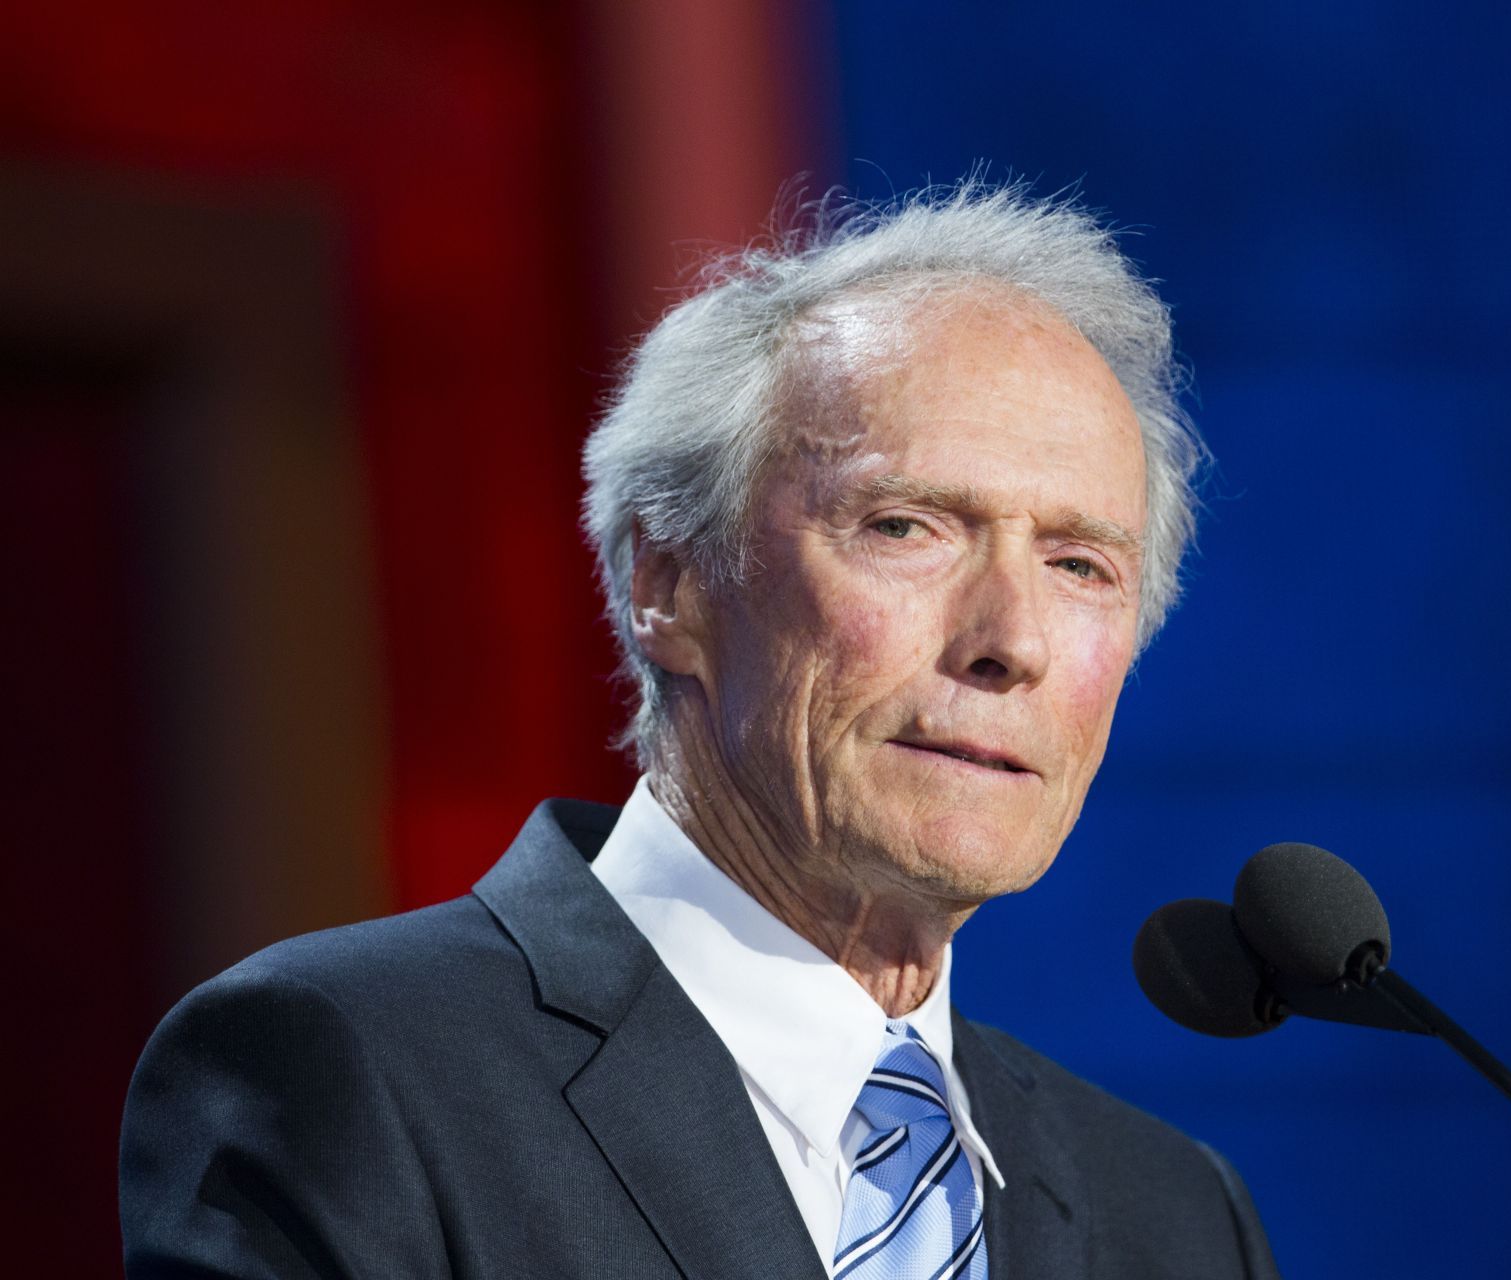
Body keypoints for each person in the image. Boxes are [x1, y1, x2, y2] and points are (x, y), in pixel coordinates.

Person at [120, 183, 1281, 1279]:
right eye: (908, 525)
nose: (1011, 640)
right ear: (667, 580)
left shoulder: (1175, 1214)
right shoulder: (350, 1073)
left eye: (1081, 564)